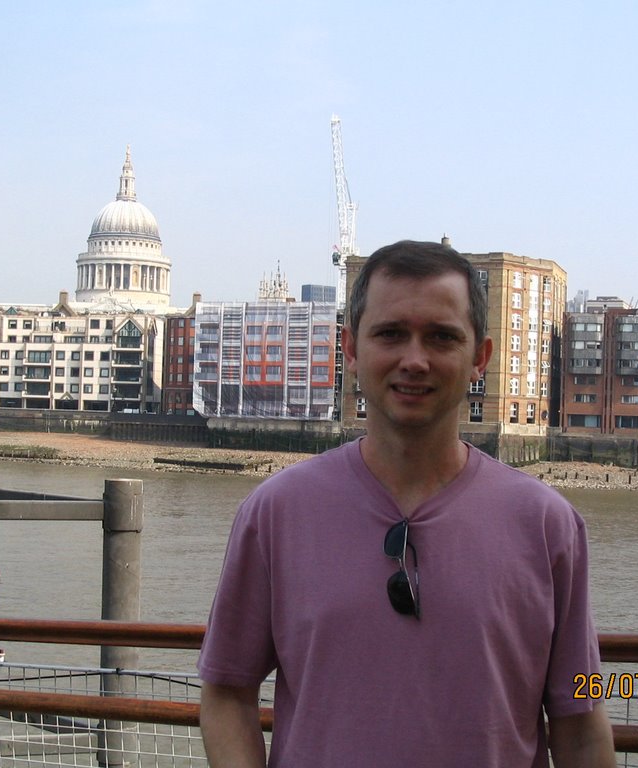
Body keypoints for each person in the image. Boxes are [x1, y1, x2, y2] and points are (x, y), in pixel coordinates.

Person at [197, 240, 615, 766]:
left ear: (479, 358)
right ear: (349, 348)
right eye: (391, 333)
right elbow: (226, 694)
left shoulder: (550, 526)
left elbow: (578, 719)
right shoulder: (274, 514)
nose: (414, 360)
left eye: (441, 337)